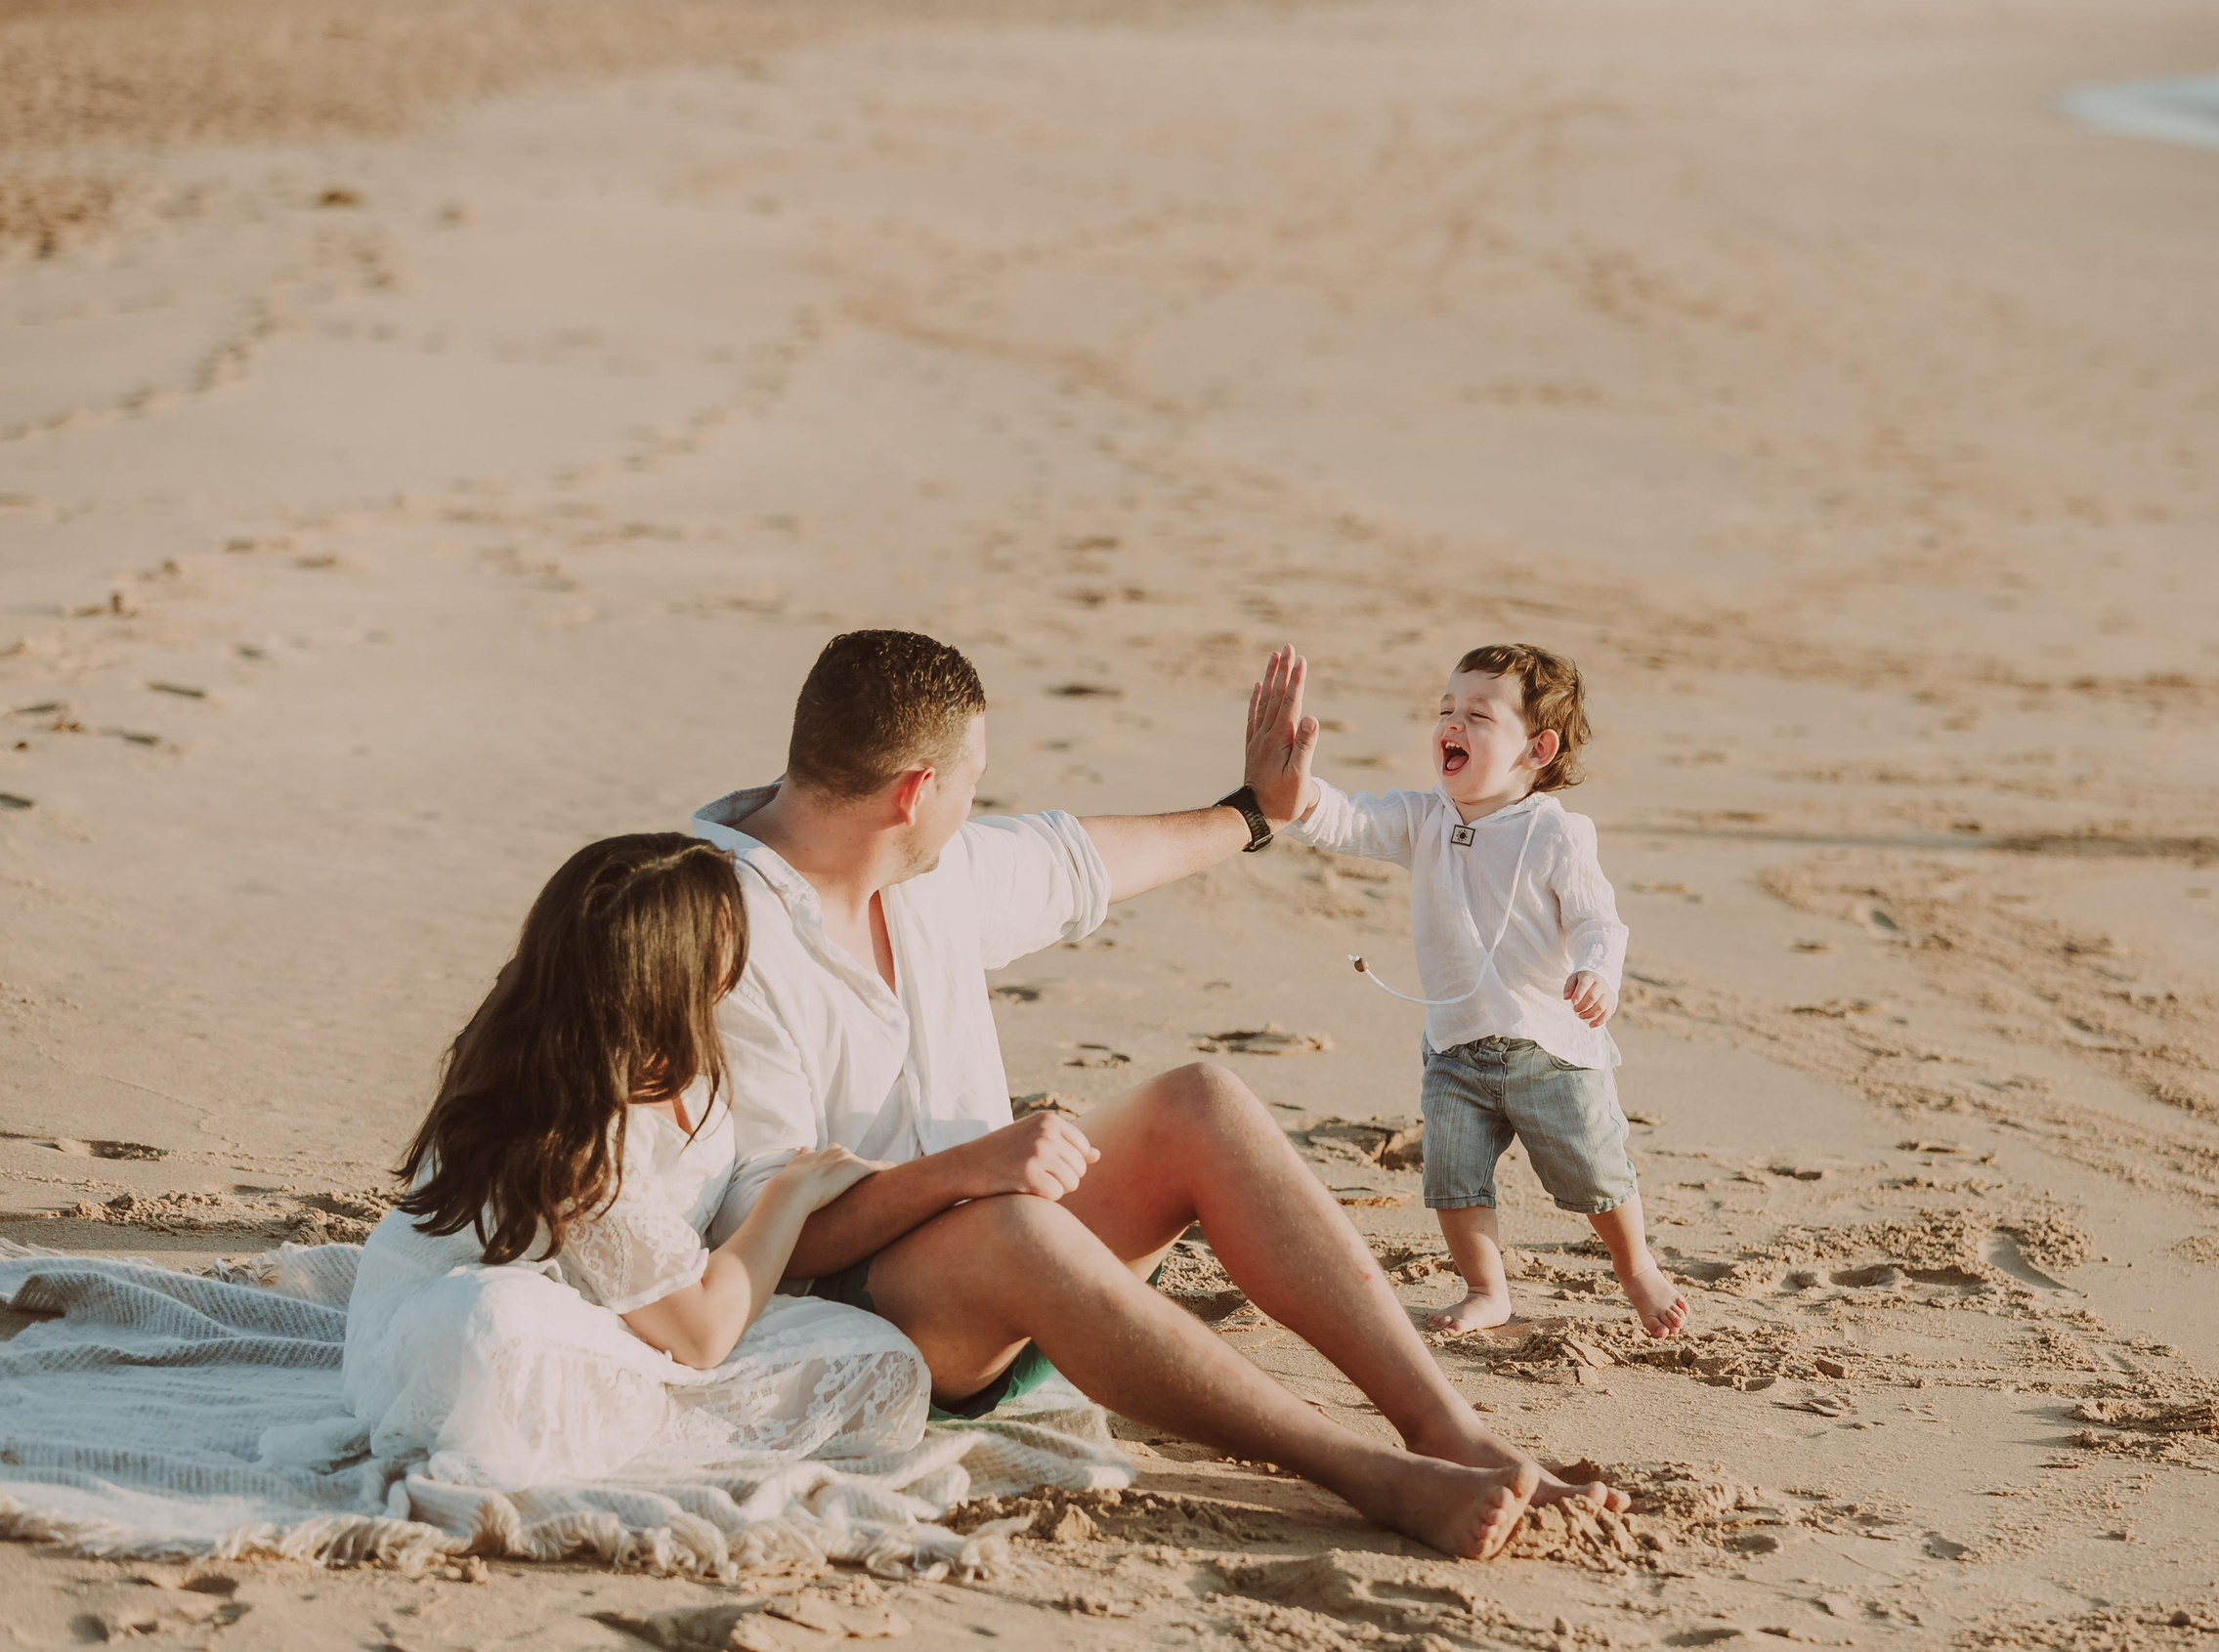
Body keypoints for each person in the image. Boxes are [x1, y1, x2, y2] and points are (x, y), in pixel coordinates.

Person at [695, 630, 1621, 1562]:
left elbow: (1089, 860)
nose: (979, 805)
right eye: (973, 782)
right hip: (856, 1319)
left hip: (1007, 1253)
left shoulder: (921, 859)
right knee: (1019, 1226)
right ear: (914, 792)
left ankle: (1451, 1432)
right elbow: (773, 1238)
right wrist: (965, 1171)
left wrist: (1254, 810)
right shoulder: (719, 933)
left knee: (1199, 1103)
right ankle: (1362, 1470)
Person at [345, 832, 929, 1489]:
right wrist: (788, 1196)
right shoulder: (571, 1133)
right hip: (469, 1318)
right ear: (675, 974)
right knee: (500, 1336)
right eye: (727, 932)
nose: (744, 948)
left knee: (878, 1357)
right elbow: (706, 1335)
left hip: (638, 1298)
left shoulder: (680, 1042)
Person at [1282, 644, 1689, 1340]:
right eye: (1445, 710)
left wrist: (1597, 971)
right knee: (1453, 1173)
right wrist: (1298, 790)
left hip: (1550, 1046)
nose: (1452, 724)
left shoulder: (1556, 834)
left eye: (1477, 714)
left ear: (1537, 748)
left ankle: (1637, 1265)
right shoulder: (1427, 817)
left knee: (1595, 1167)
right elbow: (1350, 820)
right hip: (1456, 1044)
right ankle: (1485, 1287)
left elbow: (1599, 919)